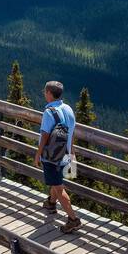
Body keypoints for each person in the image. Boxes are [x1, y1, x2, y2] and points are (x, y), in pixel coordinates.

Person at [34, 81, 81, 234]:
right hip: (66, 153)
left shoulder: (49, 112)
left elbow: (45, 135)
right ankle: (51, 203)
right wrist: (72, 151)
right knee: (57, 181)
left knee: (59, 188)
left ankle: (73, 219)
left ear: (49, 93)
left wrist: (38, 154)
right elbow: (72, 132)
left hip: (52, 157)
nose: (44, 93)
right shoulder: (68, 108)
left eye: (44, 91)